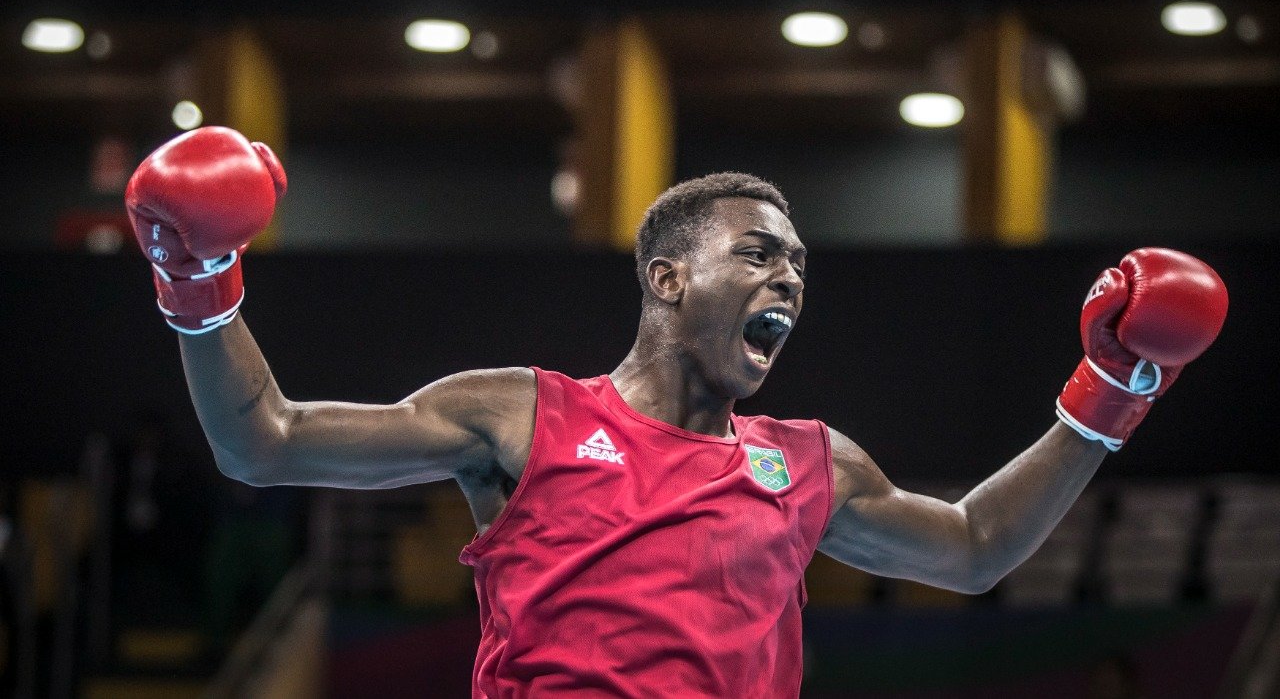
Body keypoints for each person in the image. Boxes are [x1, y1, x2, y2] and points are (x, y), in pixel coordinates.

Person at [124, 126, 1228, 698]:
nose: (788, 280)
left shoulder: (807, 465)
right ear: (665, 281)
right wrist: (202, 282)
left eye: (798, 264)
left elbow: (978, 546)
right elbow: (261, 442)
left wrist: (1110, 392)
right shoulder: (521, 418)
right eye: (756, 254)